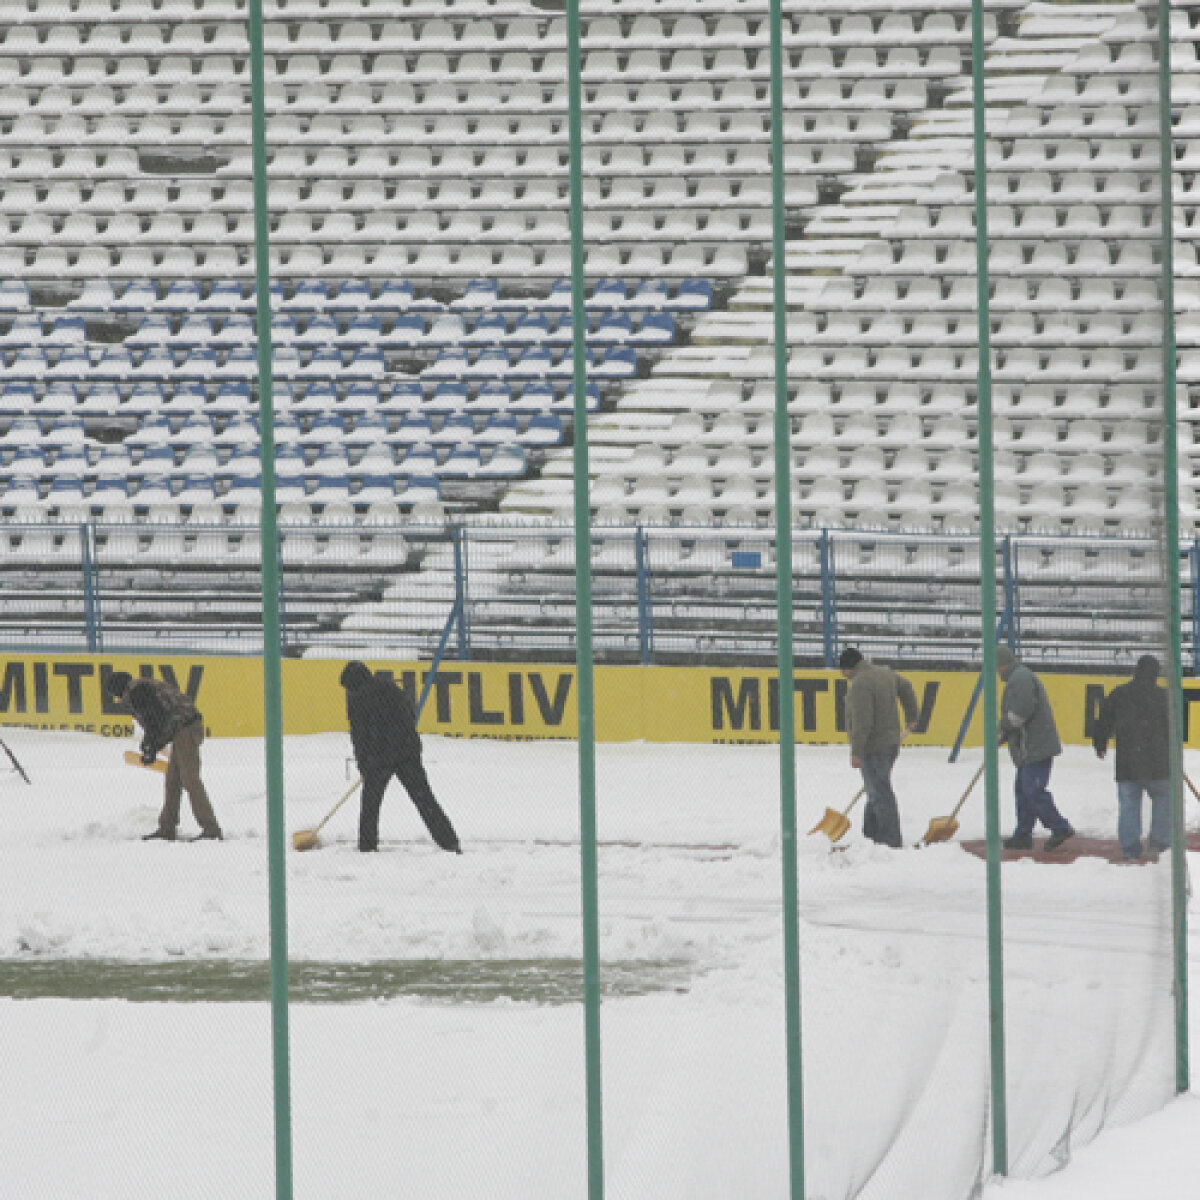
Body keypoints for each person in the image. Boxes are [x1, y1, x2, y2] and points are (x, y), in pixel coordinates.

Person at [340, 661, 461, 854]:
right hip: (407, 752)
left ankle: (367, 846)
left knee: (371, 804)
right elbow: (409, 715)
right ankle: (449, 842)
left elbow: (359, 735)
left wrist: (365, 765)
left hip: (379, 759)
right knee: (424, 799)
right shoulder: (391, 687)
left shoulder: (357, 699)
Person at [106, 670, 222, 842]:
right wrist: (151, 746)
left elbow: (156, 720)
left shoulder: (137, 693)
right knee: (173, 781)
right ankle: (167, 828)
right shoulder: (140, 688)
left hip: (186, 729)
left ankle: (211, 829)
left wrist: (151, 746)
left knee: (190, 779)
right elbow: (160, 720)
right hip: (182, 729)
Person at [1092, 653, 1171, 860]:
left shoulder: (1120, 694)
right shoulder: (1164, 697)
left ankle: (1130, 848)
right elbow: (1174, 730)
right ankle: (1160, 843)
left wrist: (1100, 744)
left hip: (1129, 761)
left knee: (1129, 804)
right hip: (1159, 761)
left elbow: (1104, 722)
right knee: (1163, 800)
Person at [839, 647, 919, 848]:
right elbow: (907, 687)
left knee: (880, 792)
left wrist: (856, 751)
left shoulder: (859, 684)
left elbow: (862, 721)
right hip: (891, 743)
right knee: (874, 789)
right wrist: (912, 716)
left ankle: (890, 839)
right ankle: (871, 833)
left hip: (873, 746)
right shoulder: (885, 673)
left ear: (848, 668)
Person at [996, 645, 1073, 851]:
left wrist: (1003, 727)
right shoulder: (1018, 677)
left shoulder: (1019, 679)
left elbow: (1022, 712)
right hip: (1029, 746)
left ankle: (1060, 826)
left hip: (1036, 746)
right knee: (1023, 790)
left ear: (1000, 665)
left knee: (1032, 790)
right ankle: (1023, 834)